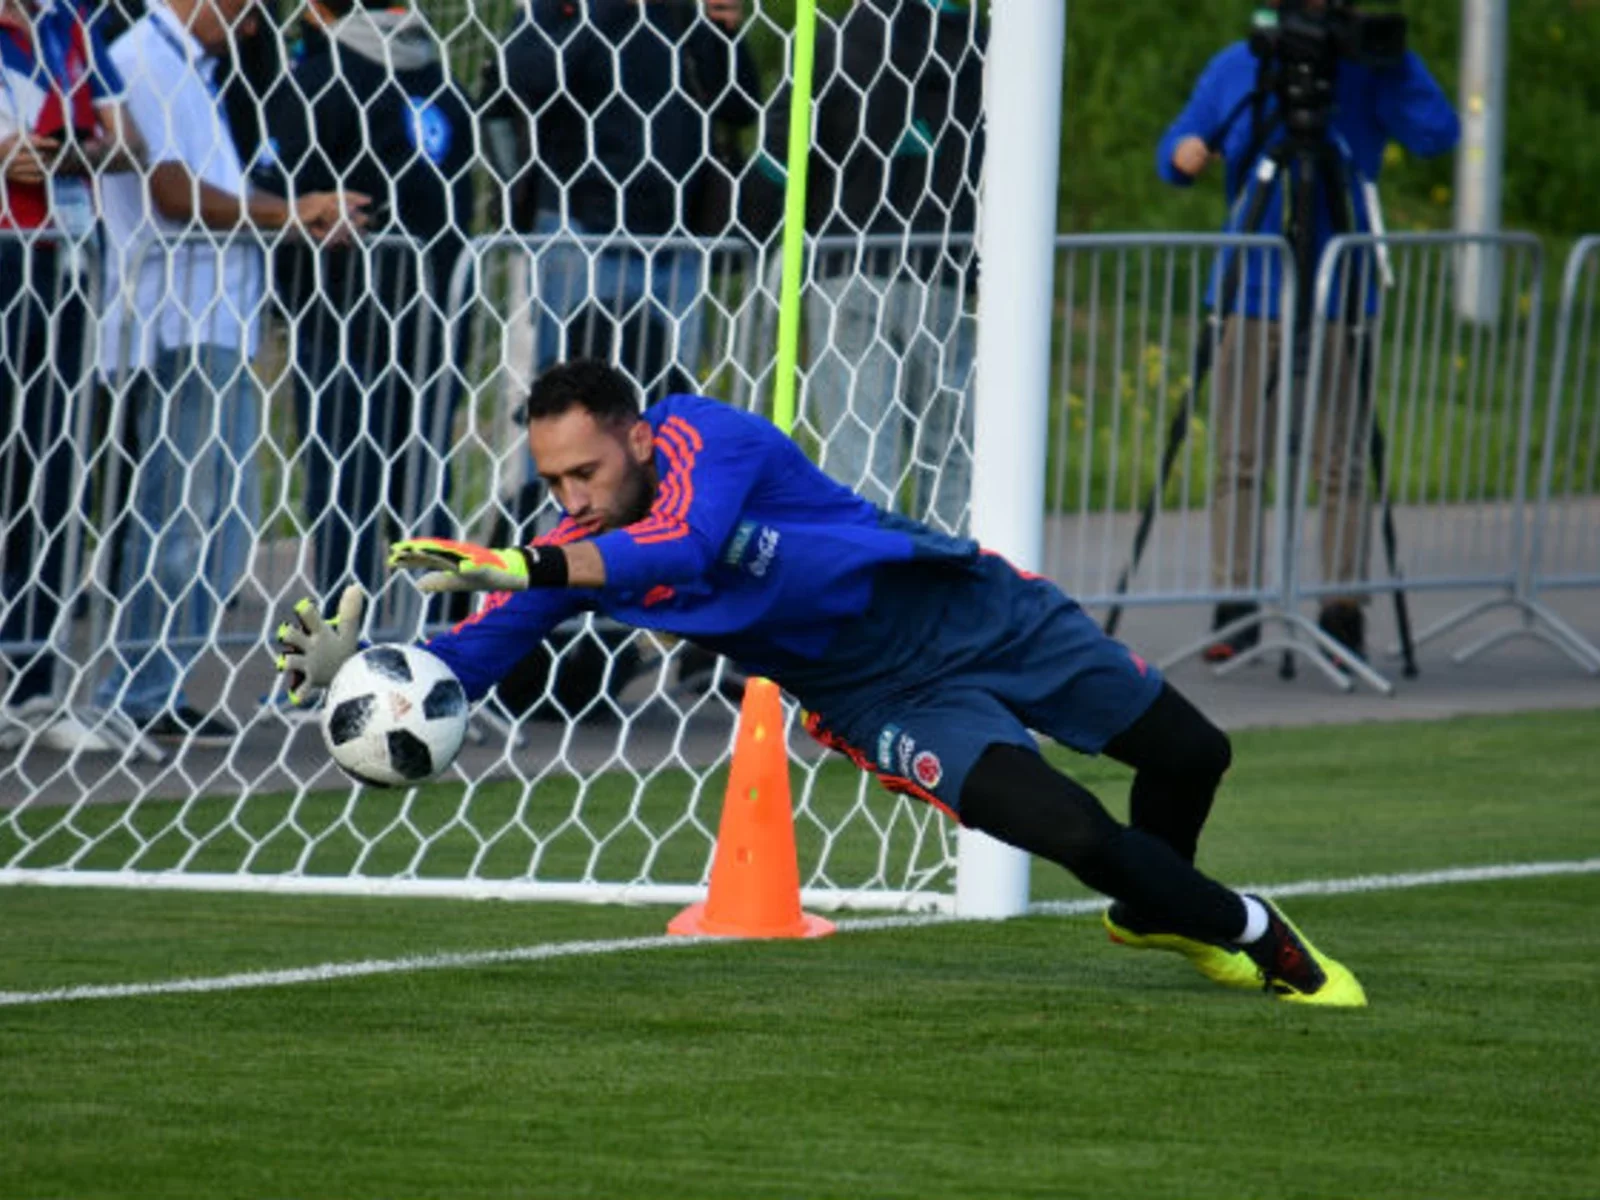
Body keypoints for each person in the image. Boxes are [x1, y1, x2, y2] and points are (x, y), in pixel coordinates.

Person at [276, 359, 1369, 1007]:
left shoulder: (708, 436)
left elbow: (684, 545)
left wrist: (529, 563)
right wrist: (357, 679)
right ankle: (1255, 935)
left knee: (1192, 755)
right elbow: (470, 659)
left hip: (965, 608)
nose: (571, 500)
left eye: (586, 472)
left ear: (639, 437)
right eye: (553, 482)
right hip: (880, 700)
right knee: (1070, 829)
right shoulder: (571, 548)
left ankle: (1155, 909)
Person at [94, 0, 364, 745]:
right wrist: (291, 213)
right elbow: (172, 193)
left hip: (217, 322)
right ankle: (136, 689)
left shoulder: (189, 65)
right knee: (181, 517)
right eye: (244, 8)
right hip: (179, 321)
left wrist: (296, 213)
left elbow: (208, 184)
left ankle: (156, 685)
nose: (251, 26)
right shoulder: (143, 60)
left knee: (222, 519)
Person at [1158, 9, 1458, 663]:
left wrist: (1391, 61)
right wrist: (1184, 154)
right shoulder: (1243, 65)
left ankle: (1342, 609)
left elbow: (1438, 134)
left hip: (1339, 290)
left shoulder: (1367, 69)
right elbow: (1176, 147)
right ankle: (1235, 606)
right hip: (1252, 290)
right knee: (1238, 457)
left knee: (1341, 461)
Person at [255, 0, 475, 607]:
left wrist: (281, 298)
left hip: (341, 319)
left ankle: (348, 640)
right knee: (423, 485)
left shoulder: (318, 81)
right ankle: (439, 634)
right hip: (436, 319)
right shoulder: (442, 81)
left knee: (343, 491)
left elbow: (271, 195)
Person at [740, 0, 984, 534]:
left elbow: (781, 157)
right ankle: (951, 571)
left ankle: (865, 572)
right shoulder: (979, 49)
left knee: (859, 454)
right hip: (940, 271)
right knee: (950, 450)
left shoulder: (837, 40)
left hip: (846, 265)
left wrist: (747, 232)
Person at [486, 0, 760, 401]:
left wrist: (725, 37)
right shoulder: (563, 8)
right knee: (572, 401)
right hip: (581, 235)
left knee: (671, 403)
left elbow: (741, 106)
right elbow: (523, 78)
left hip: (676, 243)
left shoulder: (681, 12)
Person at [1, 0, 142, 753]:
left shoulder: (73, 24)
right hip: (5, 254)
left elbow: (129, 142)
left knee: (52, 472)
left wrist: (73, 154)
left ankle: (35, 688)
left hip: (65, 259)